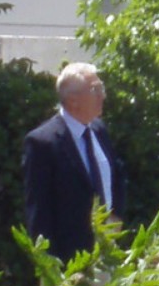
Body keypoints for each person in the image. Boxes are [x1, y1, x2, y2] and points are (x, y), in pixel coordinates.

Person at [20, 63, 118, 262]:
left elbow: (117, 176)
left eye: (102, 88)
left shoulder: (99, 130)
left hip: (106, 253)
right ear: (73, 100)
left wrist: (117, 219)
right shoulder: (43, 142)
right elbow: (39, 211)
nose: (103, 95)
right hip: (69, 261)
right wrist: (50, 265)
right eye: (96, 89)